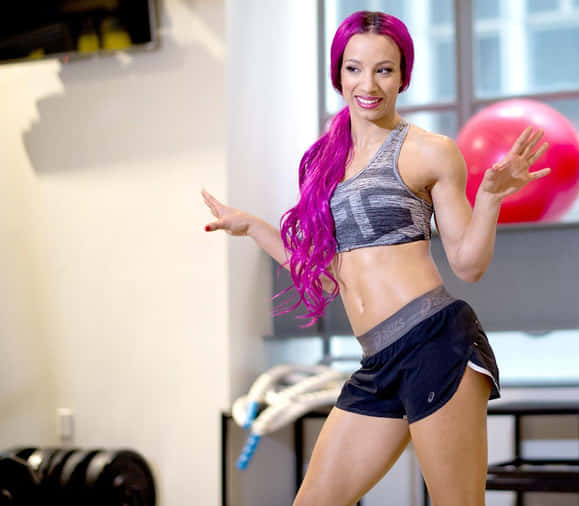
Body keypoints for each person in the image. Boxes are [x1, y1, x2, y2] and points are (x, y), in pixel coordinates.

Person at [202, 10, 549, 506]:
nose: (368, 85)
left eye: (384, 70)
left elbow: (468, 265)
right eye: (354, 68)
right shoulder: (324, 163)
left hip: (435, 344)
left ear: (403, 75)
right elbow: (327, 279)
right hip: (377, 361)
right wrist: (255, 228)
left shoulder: (431, 152)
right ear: (338, 74)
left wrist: (490, 197)